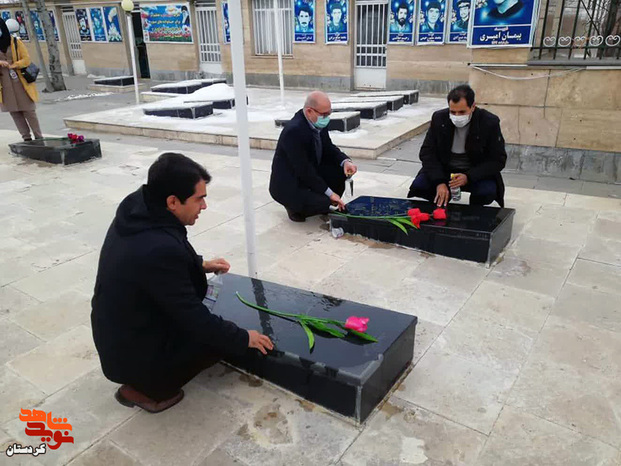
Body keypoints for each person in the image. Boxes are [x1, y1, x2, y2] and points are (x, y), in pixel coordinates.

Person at [91, 153, 274, 413]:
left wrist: (201, 264)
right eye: (199, 199)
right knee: (214, 340)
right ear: (173, 202)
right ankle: (146, 390)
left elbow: (156, 266)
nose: (204, 206)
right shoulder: (157, 249)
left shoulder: (139, 208)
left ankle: (146, 376)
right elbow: (194, 318)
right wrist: (244, 337)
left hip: (119, 335)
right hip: (131, 353)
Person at [407, 84, 507, 207]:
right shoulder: (439, 118)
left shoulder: (489, 122)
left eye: (462, 112)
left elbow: (498, 159)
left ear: (473, 106)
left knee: (486, 192)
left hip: (475, 170)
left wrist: (469, 176)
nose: (457, 116)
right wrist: (439, 182)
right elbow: (427, 152)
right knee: (421, 186)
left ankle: (475, 210)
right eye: (453, 112)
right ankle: (441, 202)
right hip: (445, 169)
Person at [269, 91, 357, 222]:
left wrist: (345, 161)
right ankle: (294, 208)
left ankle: (324, 201)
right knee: (322, 201)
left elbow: (328, 147)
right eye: (324, 114)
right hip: (291, 182)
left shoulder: (317, 121)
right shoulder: (294, 131)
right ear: (309, 111)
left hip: (310, 170)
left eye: (329, 113)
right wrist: (330, 193)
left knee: (340, 170)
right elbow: (304, 169)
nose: (327, 118)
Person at [0, 18, 42, 142]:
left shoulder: (15, 42)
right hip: (4, 84)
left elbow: (26, 59)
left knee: (29, 111)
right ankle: (26, 138)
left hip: (20, 81)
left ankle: (39, 137)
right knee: (15, 112)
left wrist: (14, 65)